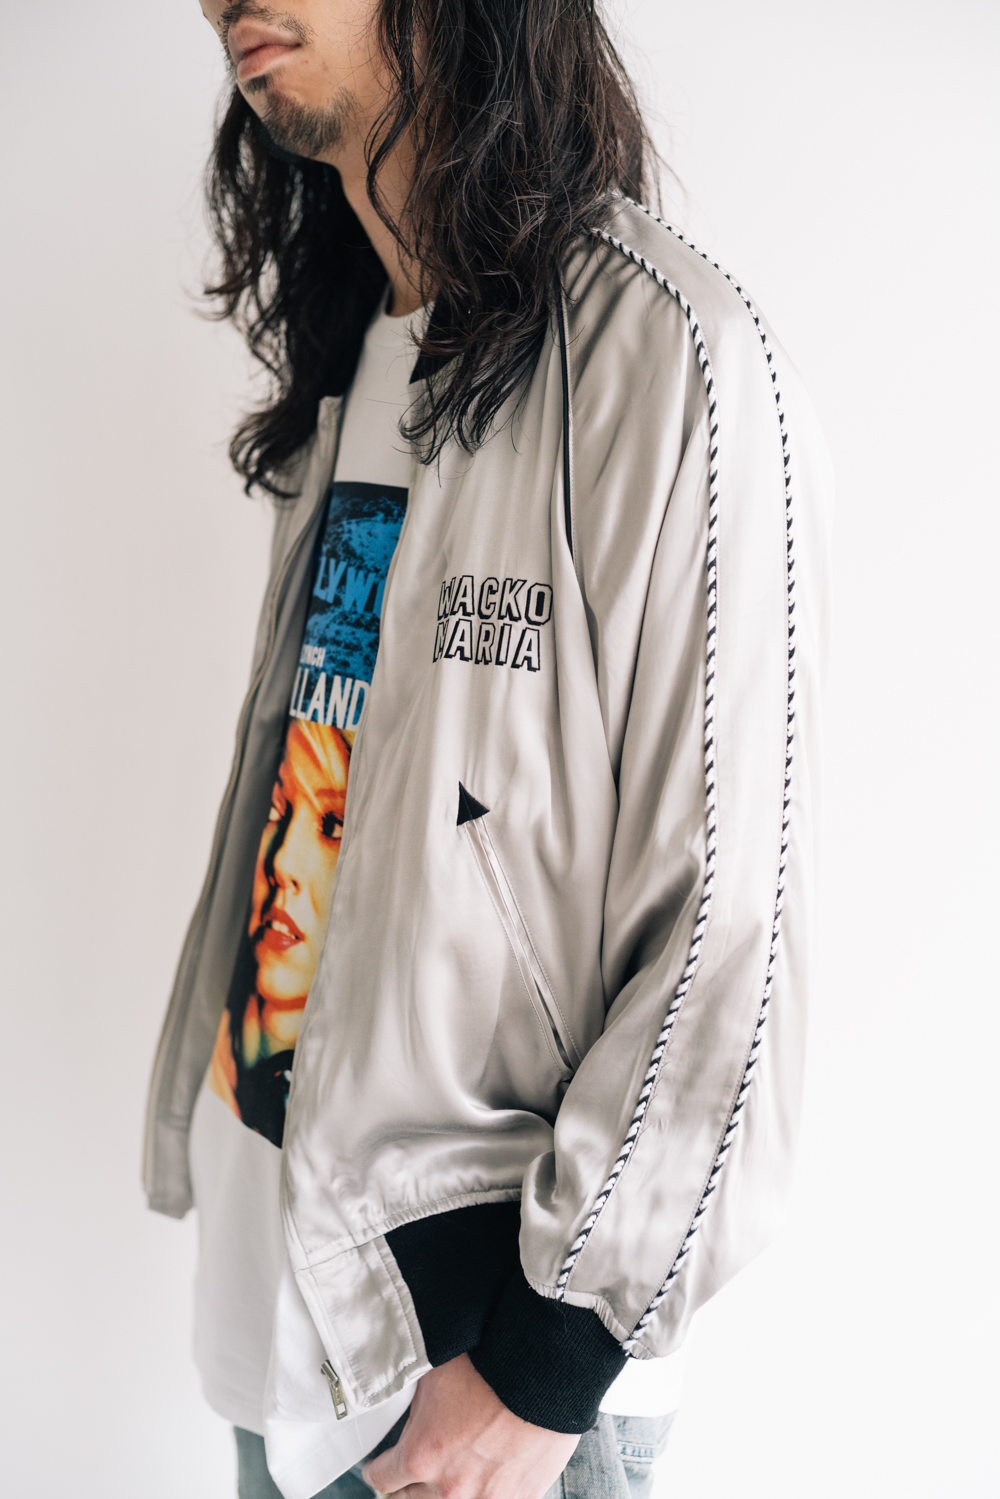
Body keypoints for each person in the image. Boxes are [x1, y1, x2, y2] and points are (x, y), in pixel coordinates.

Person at [144, 1, 832, 1496]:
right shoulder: (352, 341)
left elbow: (733, 934)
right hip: (282, 1320)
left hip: (483, 1374)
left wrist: (538, 1372)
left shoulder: (668, 353)